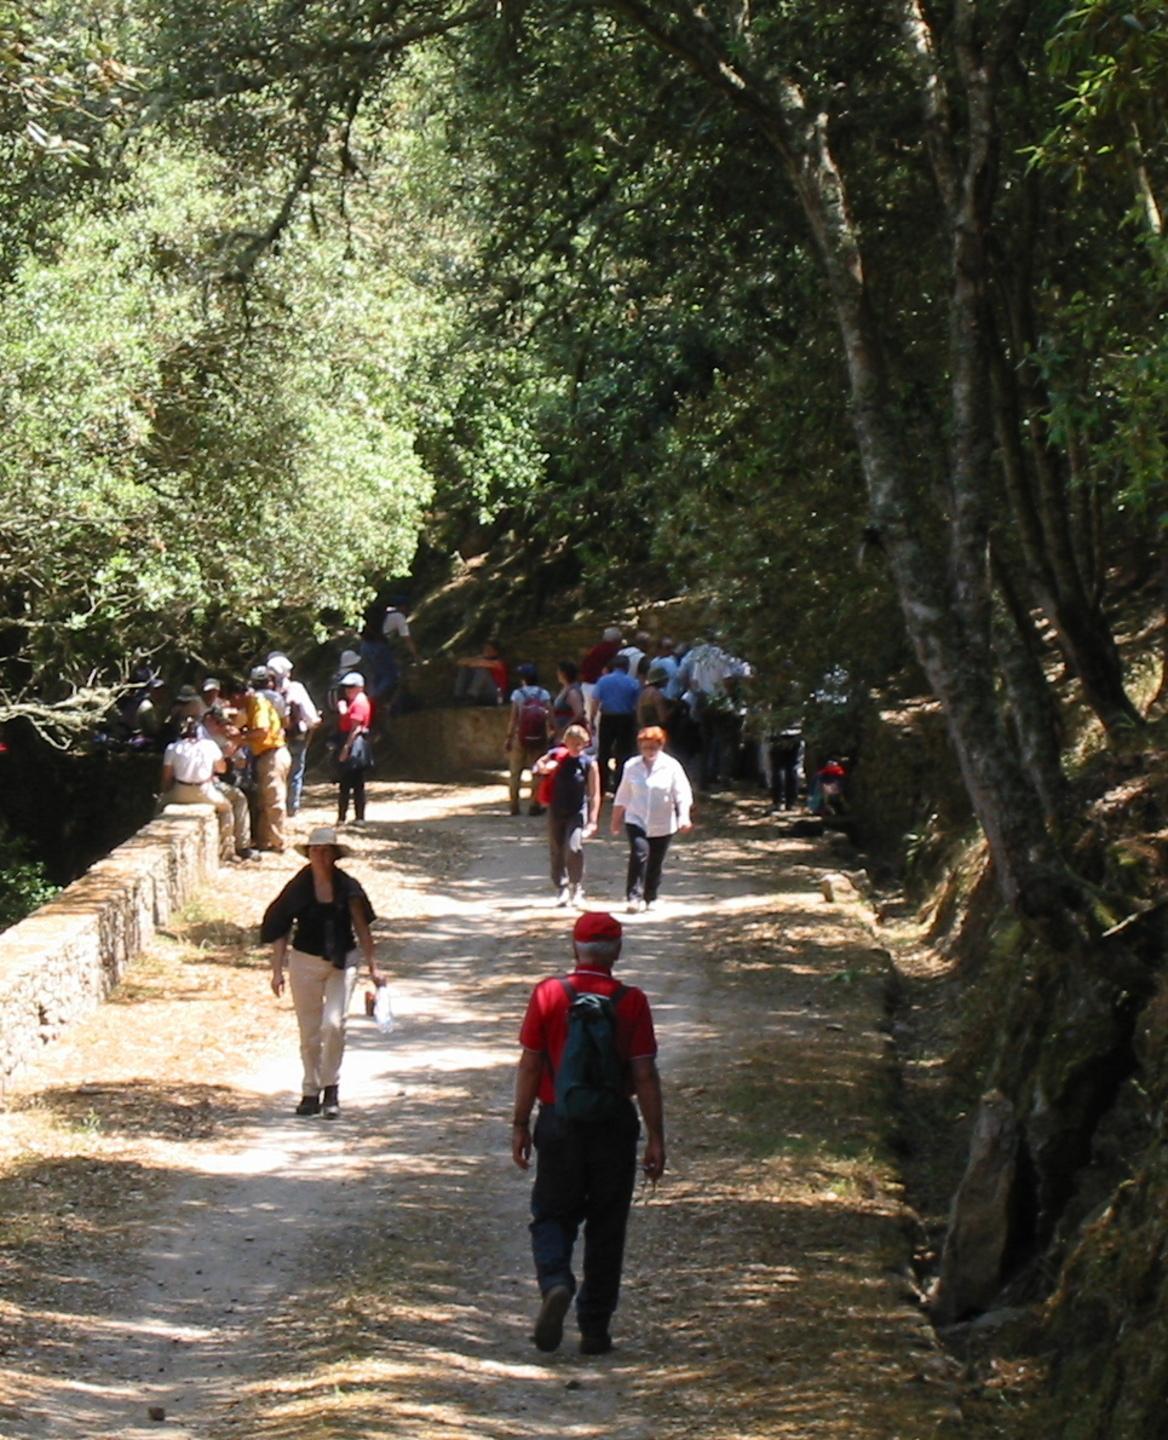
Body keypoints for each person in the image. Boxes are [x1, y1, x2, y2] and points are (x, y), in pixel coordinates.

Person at [511, 910, 665, 1356]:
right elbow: (644, 1074)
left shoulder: (549, 994)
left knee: (552, 1215)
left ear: (575, 948)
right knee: (607, 1226)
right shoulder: (632, 1001)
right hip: (614, 1125)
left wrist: (521, 1123)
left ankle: (556, 1282)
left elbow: (530, 1064)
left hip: (559, 1122)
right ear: (616, 951)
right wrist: (656, 1136)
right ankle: (594, 1328)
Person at [261, 827, 383, 1119]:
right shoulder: (298, 888)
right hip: (304, 961)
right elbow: (280, 926)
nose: (320, 855)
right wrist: (276, 970)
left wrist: (373, 967)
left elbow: (362, 928)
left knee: (333, 1024)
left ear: (334, 856)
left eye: (326, 851)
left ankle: (332, 1088)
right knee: (309, 1031)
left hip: (342, 961)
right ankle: (310, 1090)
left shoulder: (348, 887)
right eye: (315, 850)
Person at [611, 726, 694, 912]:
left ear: (661, 746)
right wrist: (616, 820)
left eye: (653, 748)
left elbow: (682, 793)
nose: (649, 751)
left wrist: (684, 816)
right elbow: (623, 795)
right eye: (645, 747)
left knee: (656, 860)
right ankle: (633, 897)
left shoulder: (671, 766)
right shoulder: (631, 766)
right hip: (636, 819)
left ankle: (651, 896)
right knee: (639, 854)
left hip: (663, 822)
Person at [159, 717, 255, 863]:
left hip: (179, 790)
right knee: (227, 807)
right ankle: (229, 849)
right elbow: (221, 769)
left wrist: (165, 794)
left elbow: (166, 777)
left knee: (159, 806)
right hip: (204, 790)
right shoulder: (209, 746)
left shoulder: (172, 747)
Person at [533, 724, 600, 907]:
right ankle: (561, 887)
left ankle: (576, 886)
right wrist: (544, 768)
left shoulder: (588, 763)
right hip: (556, 809)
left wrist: (593, 821)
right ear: (566, 742)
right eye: (572, 743)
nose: (575, 747)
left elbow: (594, 794)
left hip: (577, 811)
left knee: (574, 847)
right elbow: (536, 766)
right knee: (556, 850)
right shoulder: (556, 755)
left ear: (585, 743)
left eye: (579, 743)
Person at [239, 667, 291, 853]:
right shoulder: (276, 698)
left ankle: (278, 841)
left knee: (273, 798)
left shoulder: (257, 701)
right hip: (268, 751)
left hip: (271, 752)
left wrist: (241, 737)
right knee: (265, 798)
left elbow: (262, 730)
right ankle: (264, 840)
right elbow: (286, 722)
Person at [266, 653, 321, 818]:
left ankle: (276, 805)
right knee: (295, 772)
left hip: (272, 738)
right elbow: (310, 716)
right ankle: (291, 807)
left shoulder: (264, 692)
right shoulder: (295, 688)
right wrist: (314, 723)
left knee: (274, 772)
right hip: (296, 736)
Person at [588, 654, 641, 795]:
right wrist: (638, 723)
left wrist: (592, 719)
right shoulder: (633, 682)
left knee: (604, 752)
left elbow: (595, 701)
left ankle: (601, 785)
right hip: (626, 719)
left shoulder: (603, 681)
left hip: (608, 718)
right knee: (623, 754)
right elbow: (637, 705)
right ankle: (620, 787)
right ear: (627, 667)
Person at [507, 663, 552, 816]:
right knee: (537, 771)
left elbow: (513, 719)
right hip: (539, 737)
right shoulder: (544, 694)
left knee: (515, 772)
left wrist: (509, 737)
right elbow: (550, 717)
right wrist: (552, 733)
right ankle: (535, 804)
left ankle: (514, 805)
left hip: (520, 737)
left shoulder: (517, 694)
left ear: (523, 679)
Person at [334, 672, 374, 826]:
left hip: (354, 743)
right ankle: (352, 817)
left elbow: (354, 729)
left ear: (360, 687)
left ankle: (349, 817)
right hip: (352, 741)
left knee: (351, 783)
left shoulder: (359, 703)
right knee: (352, 783)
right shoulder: (353, 702)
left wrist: (346, 748)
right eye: (346, 687)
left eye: (352, 687)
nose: (348, 690)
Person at [579, 626, 623, 709]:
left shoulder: (595, 649)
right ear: (616, 640)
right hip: (598, 685)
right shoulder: (612, 651)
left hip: (587, 684)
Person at [454, 641, 508, 706]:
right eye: (485, 649)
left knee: (483, 671)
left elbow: (478, 664)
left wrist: (472, 661)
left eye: (489, 649)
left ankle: (471, 697)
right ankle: (458, 697)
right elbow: (460, 662)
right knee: (464, 668)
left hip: (496, 696)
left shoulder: (498, 663)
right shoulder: (481, 658)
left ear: (495, 652)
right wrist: (473, 660)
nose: (486, 651)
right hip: (482, 694)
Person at [550, 659, 586, 742]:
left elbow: (579, 713)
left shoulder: (572, 692)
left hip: (569, 734)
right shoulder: (566, 688)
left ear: (563, 673)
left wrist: (564, 728)